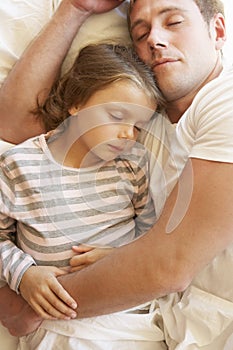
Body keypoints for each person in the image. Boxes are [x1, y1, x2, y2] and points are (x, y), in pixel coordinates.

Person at [0, 0, 233, 349]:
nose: (155, 39)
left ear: (217, 31)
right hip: (154, 328)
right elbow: (17, 125)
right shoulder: (143, 124)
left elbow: (168, 266)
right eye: (141, 32)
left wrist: (27, 308)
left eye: (173, 22)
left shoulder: (225, 102)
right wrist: (75, 9)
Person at [0, 42, 167, 349]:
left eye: (138, 126)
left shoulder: (132, 167)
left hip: (129, 319)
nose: (128, 134)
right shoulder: (18, 166)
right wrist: (23, 275)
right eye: (117, 115)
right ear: (76, 102)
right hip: (55, 324)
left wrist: (123, 259)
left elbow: (154, 238)